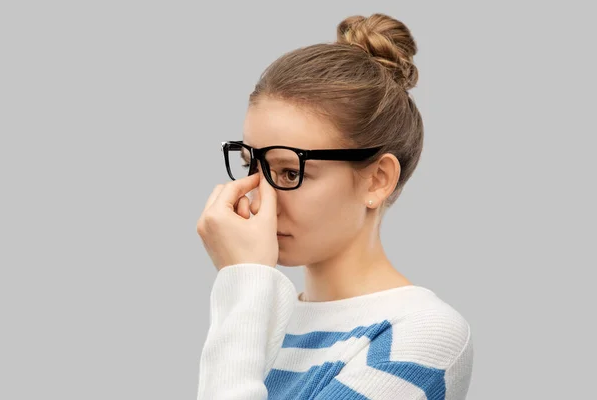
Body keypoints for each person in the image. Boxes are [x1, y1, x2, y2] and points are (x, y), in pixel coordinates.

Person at [195, 13, 473, 400]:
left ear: (378, 179)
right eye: (251, 166)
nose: (261, 200)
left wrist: (244, 279)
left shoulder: (420, 331)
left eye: (290, 173)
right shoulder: (264, 318)